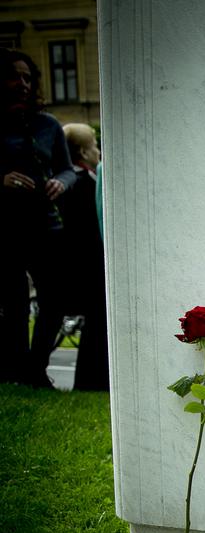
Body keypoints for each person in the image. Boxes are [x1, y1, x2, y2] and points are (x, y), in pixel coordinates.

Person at [1, 49, 76, 387]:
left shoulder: (48, 125)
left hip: (47, 225)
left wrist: (62, 181)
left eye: (28, 77)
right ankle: (17, 371)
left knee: (55, 299)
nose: (23, 84)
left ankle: (36, 367)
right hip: (5, 228)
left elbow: (66, 168)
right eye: (15, 76)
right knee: (13, 303)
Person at [58, 123, 108, 391]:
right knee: (98, 323)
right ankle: (93, 381)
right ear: (81, 151)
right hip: (89, 267)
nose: (97, 152)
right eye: (93, 147)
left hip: (78, 267)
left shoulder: (71, 184)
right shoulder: (85, 183)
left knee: (96, 323)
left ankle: (90, 380)